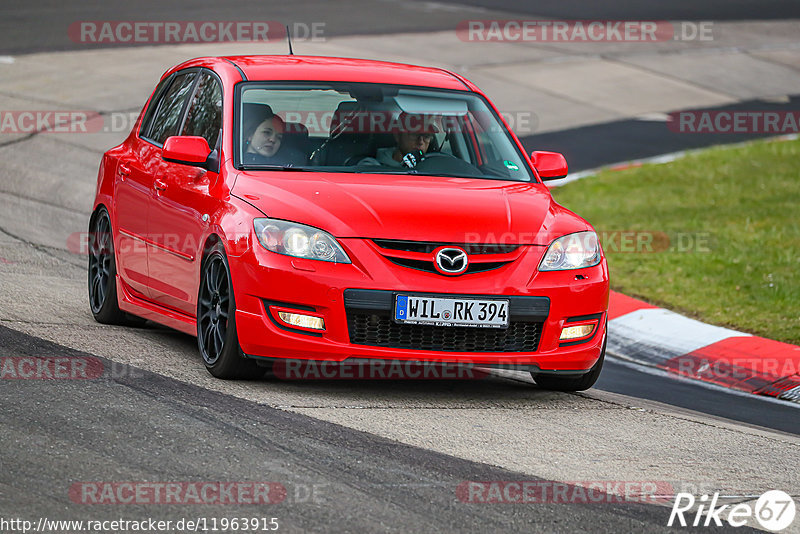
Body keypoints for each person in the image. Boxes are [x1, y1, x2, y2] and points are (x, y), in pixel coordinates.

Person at [359, 112, 439, 168]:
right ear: (397, 135)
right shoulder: (371, 167)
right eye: (414, 134)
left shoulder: (435, 169)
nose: (421, 142)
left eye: (426, 136)